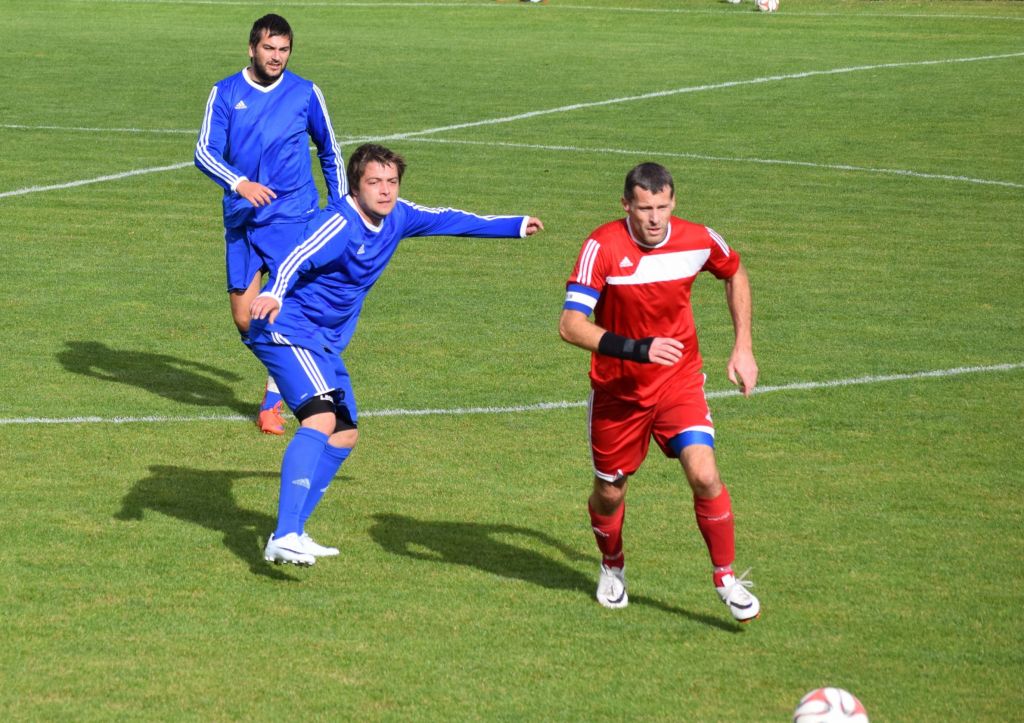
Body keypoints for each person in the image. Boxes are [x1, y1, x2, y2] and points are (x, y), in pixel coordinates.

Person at [248, 143, 544, 565]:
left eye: (391, 181)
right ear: (356, 186)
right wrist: (274, 293)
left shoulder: (398, 216)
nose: (385, 190)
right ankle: (286, 534)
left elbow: (447, 219)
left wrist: (513, 226)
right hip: (287, 329)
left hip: (323, 342)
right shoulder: (339, 223)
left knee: (344, 434)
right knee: (321, 419)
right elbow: (295, 257)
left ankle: (291, 529)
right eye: (374, 182)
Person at [558, 162, 761, 622]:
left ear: (673, 203)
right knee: (610, 492)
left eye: (663, 208)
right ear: (625, 205)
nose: (654, 219)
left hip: (678, 383)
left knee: (705, 474)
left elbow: (734, 272)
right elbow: (570, 325)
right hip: (618, 392)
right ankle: (612, 565)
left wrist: (743, 346)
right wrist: (638, 349)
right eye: (644, 208)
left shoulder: (699, 239)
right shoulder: (601, 247)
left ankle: (726, 578)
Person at [195, 13, 346, 435]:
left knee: (283, 313)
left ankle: (275, 402)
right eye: (268, 48)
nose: (276, 57)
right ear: (251, 49)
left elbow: (330, 151)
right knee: (246, 319)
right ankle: (289, 379)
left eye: (283, 50)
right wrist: (239, 183)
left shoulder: (305, 93)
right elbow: (204, 152)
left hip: (292, 218)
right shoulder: (225, 92)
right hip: (243, 220)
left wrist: (341, 207)